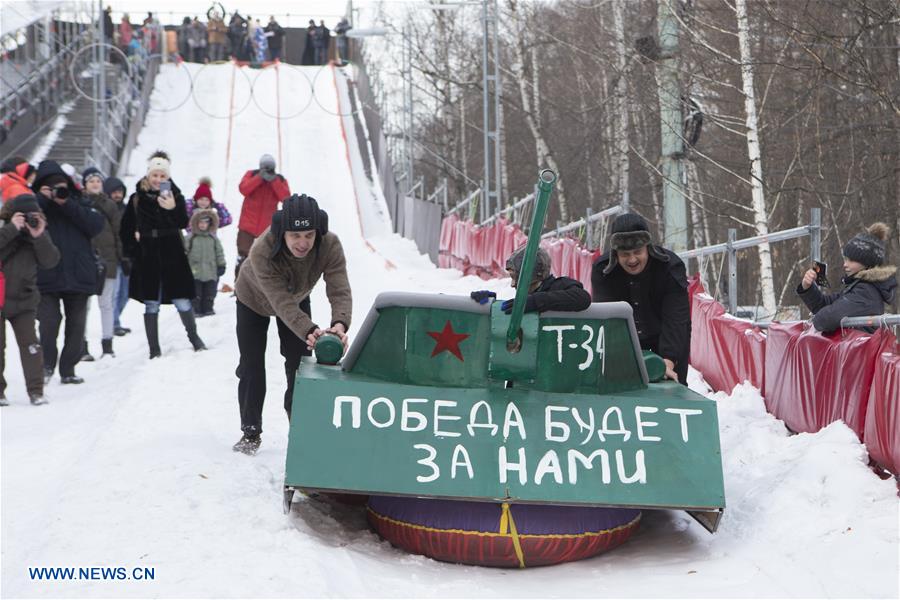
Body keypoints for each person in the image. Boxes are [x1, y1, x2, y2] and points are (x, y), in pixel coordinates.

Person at [232, 194, 351, 454]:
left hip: (297, 298)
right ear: (282, 233)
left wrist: (340, 323)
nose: (303, 242)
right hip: (253, 299)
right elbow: (280, 302)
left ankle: (300, 427)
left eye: (309, 234)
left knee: (299, 365)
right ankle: (250, 432)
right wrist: (309, 330)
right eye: (295, 235)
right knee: (252, 365)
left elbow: (339, 288)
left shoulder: (329, 245)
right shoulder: (262, 249)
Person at [119, 151, 206, 358]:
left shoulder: (175, 196)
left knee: (182, 300)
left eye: (162, 176)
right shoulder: (136, 199)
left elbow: (184, 223)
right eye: (155, 175)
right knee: (151, 303)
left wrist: (173, 208)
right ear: (148, 175)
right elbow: (125, 229)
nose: (158, 179)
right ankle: (154, 349)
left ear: (168, 177)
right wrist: (131, 253)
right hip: (147, 255)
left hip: (172, 253)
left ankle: (194, 338)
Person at [591, 212, 691, 384]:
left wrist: (667, 361)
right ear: (616, 253)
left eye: (637, 252)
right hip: (623, 340)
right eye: (624, 254)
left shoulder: (670, 268)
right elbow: (608, 321)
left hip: (666, 337)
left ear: (648, 248)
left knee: (671, 389)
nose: (632, 260)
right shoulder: (603, 271)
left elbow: (676, 319)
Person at [31, 160, 105, 384]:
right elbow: (24, 221)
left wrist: (66, 204)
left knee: (76, 325)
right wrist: (41, 199)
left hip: (78, 274)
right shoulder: (35, 205)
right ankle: (46, 365)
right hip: (46, 275)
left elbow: (95, 225)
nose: (57, 190)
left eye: (60, 185)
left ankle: (68, 369)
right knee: (48, 322)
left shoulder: (78, 202)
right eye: (50, 186)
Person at [0, 194, 60, 406]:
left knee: (31, 346)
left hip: (24, 300)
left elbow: (51, 261)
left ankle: (36, 391)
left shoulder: (38, 233)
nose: (27, 220)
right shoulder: (4, 228)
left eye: (32, 215)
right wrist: (11, 229)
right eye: (23, 216)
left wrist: (39, 235)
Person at [797, 222, 897, 334]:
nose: (845, 264)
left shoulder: (866, 292)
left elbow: (827, 319)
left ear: (867, 263)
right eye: (845, 259)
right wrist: (807, 287)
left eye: (851, 260)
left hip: (859, 351)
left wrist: (813, 322)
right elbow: (824, 305)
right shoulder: (859, 287)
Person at [470, 246, 591, 313]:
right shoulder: (528, 294)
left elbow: (582, 298)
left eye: (515, 278)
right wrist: (490, 305)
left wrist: (536, 301)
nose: (512, 285)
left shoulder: (559, 285)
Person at [82, 167, 122, 358]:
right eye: (91, 181)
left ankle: (107, 344)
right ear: (85, 185)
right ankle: (82, 346)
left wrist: (123, 257)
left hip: (108, 260)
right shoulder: (78, 205)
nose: (95, 184)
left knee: (106, 304)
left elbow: (118, 233)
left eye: (98, 181)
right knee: (84, 305)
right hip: (85, 262)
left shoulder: (110, 206)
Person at [236, 154, 290, 274]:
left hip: (267, 228)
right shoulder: (251, 174)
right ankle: (239, 289)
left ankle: (262, 289)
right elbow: (243, 189)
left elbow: (286, 198)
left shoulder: (279, 179)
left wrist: (274, 181)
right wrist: (259, 178)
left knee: (265, 258)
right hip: (247, 225)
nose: (267, 170)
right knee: (243, 257)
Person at [103, 176, 132, 337]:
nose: (117, 195)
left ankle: (114, 319)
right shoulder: (105, 210)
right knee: (114, 292)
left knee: (126, 293)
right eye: (114, 192)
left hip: (127, 256)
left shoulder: (127, 210)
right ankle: (113, 323)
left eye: (120, 191)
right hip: (112, 257)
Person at [185, 209, 225, 317]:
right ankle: (196, 310)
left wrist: (221, 265)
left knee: (209, 293)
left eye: (205, 223)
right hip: (194, 271)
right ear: (196, 223)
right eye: (200, 223)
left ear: (210, 224)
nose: (203, 225)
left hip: (210, 271)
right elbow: (184, 252)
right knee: (196, 293)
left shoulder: (213, 239)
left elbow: (219, 253)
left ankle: (208, 309)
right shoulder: (191, 238)